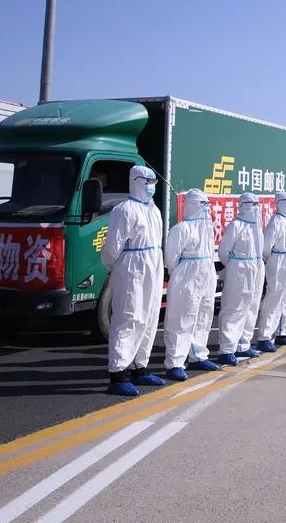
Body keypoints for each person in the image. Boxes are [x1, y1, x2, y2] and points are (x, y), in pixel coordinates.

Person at [99, 166, 165, 397]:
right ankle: (118, 374)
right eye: (148, 182)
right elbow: (112, 247)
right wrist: (115, 266)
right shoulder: (124, 210)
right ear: (136, 181)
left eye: (154, 182)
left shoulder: (153, 210)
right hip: (132, 267)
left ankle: (140, 367)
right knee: (129, 316)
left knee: (149, 317)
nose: (152, 186)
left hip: (153, 265)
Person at [163, 189, 220, 381]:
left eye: (207, 204)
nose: (207, 208)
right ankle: (175, 363)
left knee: (204, 315)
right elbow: (171, 259)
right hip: (187, 276)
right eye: (203, 204)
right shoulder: (181, 229)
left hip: (206, 273)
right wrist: (181, 275)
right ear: (193, 205)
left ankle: (198, 355)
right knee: (181, 318)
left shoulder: (207, 227)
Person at [216, 193, 265, 365]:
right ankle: (227, 348)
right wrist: (234, 267)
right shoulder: (236, 225)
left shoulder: (256, 226)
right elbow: (223, 252)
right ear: (244, 206)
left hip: (255, 267)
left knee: (251, 306)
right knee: (233, 307)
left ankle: (243, 344)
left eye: (257, 204)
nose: (256, 207)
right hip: (239, 269)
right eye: (253, 204)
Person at [254, 191, 286, 352]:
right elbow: (266, 247)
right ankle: (264, 336)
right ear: (280, 203)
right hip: (279, 261)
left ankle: (283, 332)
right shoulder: (276, 221)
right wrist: (273, 261)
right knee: (275, 297)